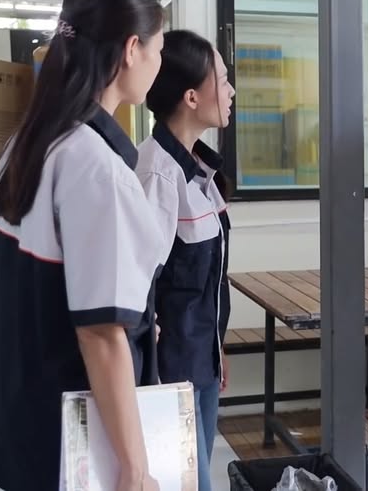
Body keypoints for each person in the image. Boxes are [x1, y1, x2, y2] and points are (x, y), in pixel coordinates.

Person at [0, 0, 167, 491]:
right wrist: (134, 469)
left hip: (19, 419)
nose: (159, 62)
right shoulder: (95, 167)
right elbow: (99, 334)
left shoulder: (27, 144)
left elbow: (46, 294)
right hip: (72, 440)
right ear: (132, 50)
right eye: (159, 49)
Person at [135, 29, 235, 491]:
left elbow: (204, 280)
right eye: (223, 80)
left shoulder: (199, 171)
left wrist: (218, 347)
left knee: (196, 477)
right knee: (190, 484)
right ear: (191, 97)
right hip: (172, 372)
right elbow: (139, 284)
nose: (231, 92)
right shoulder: (157, 172)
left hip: (202, 361)